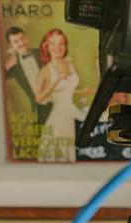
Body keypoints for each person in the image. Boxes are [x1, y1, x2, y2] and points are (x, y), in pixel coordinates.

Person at [33, 29, 84, 163]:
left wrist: (84, 92)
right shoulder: (45, 70)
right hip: (58, 119)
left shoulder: (69, 64)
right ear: (47, 46)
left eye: (61, 43)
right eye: (53, 44)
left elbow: (68, 90)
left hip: (71, 116)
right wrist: (56, 81)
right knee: (58, 157)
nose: (58, 47)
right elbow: (38, 98)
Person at [3, 26, 52, 126]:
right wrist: (7, 65)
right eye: (16, 41)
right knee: (41, 137)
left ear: (26, 38)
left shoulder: (41, 53)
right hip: (38, 107)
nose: (21, 43)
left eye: (22, 38)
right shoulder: (14, 65)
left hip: (56, 100)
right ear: (11, 45)